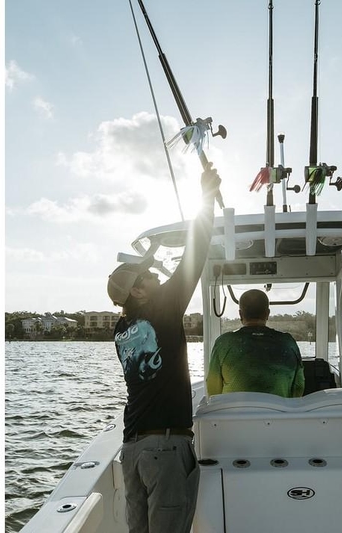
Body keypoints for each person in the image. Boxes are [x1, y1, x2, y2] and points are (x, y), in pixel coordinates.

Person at [107, 164, 221, 533]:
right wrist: (206, 196)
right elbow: (196, 252)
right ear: (137, 291)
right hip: (164, 449)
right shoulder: (163, 308)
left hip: (133, 450)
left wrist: (149, 255)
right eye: (148, 275)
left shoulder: (121, 329)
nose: (156, 274)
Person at [207, 289, 305, 398]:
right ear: (267, 313)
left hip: (234, 409)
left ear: (240, 314)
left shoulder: (223, 343)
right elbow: (299, 386)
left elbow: (213, 389)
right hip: (278, 409)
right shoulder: (288, 342)